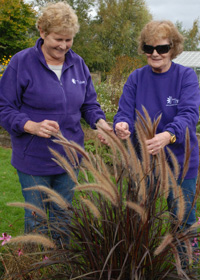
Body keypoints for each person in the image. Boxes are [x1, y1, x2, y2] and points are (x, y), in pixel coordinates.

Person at [0, 2, 111, 243]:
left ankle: (61, 266)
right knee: (36, 221)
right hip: (34, 161)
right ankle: (36, 267)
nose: (63, 46)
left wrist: (100, 123)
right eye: (57, 39)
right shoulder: (21, 63)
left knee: (64, 219)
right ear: (42, 32)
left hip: (70, 158)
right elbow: (4, 107)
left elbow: (88, 105)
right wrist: (31, 125)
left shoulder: (78, 64)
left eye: (68, 40)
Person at [113, 20, 200, 265]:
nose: (154, 54)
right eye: (148, 48)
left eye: (161, 48)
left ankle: (186, 267)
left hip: (180, 163)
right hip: (144, 164)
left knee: (181, 220)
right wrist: (121, 125)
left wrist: (167, 135)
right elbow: (124, 112)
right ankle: (144, 265)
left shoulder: (186, 77)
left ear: (173, 48)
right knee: (141, 220)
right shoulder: (136, 78)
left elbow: (189, 115)